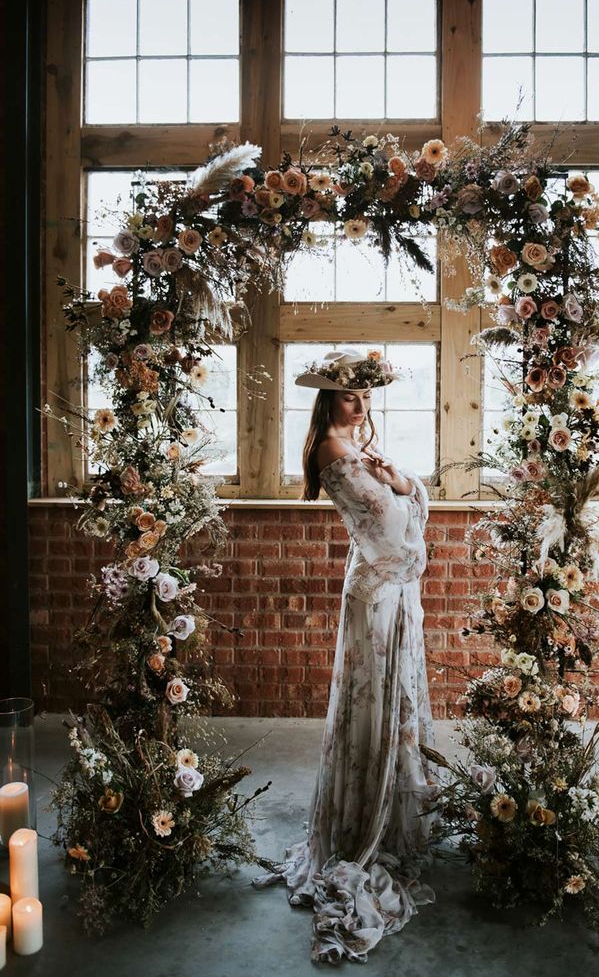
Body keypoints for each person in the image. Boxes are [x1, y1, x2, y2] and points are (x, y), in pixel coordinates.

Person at [252, 348, 445, 965]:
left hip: (382, 581)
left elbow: (403, 504)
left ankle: (388, 808)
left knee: (392, 697)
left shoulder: (353, 449)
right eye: (348, 396)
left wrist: (405, 486)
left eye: (364, 396)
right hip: (379, 585)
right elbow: (391, 529)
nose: (360, 406)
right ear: (328, 401)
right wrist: (404, 489)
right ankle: (368, 820)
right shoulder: (334, 452)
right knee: (374, 702)